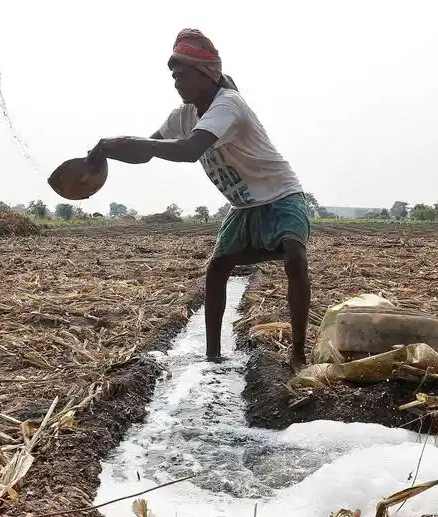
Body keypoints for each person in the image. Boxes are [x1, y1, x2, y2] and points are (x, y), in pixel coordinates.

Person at [89, 29, 311, 367]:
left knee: (294, 257)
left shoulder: (228, 104)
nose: (176, 83)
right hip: (243, 206)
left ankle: (297, 353)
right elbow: (147, 151)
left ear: (205, 73)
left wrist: (118, 143)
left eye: (181, 75)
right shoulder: (183, 115)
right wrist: (107, 153)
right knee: (217, 268)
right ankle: (212, 354)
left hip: (281, 194)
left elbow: (189, 150)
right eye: (173, 76)